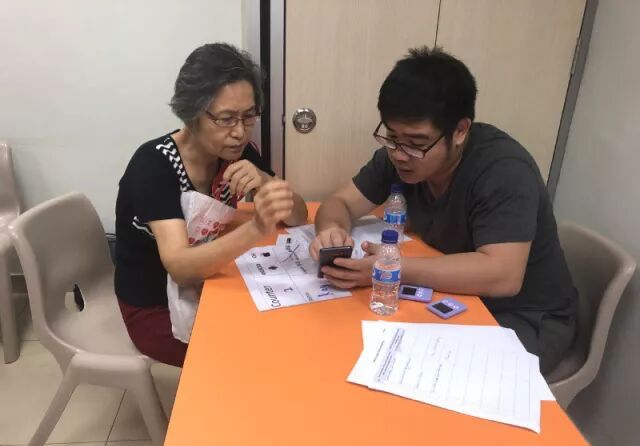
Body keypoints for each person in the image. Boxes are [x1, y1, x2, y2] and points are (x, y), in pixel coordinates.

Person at [310, 46, 576, 375]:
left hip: (522, 316)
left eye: (417, 142)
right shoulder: (401, 156)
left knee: (411, 374)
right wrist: (331, 232)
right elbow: (339, 203)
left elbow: (503, 275)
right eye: (391, 137)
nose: (400, 154)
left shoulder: (504, 170)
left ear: (460, 131)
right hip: (454, 297)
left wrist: (393, 267)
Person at [115, 43, 307, 367]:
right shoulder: (154, 166)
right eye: (226, 119)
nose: (239, 132)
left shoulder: (237, 152)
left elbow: (298, 217)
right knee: (244, 360)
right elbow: (179, 266)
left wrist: (265, 180)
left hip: (207, 287)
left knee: (281, 331)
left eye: (248, 116)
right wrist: (256, 227)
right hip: (154, 306)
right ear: (193, 114)